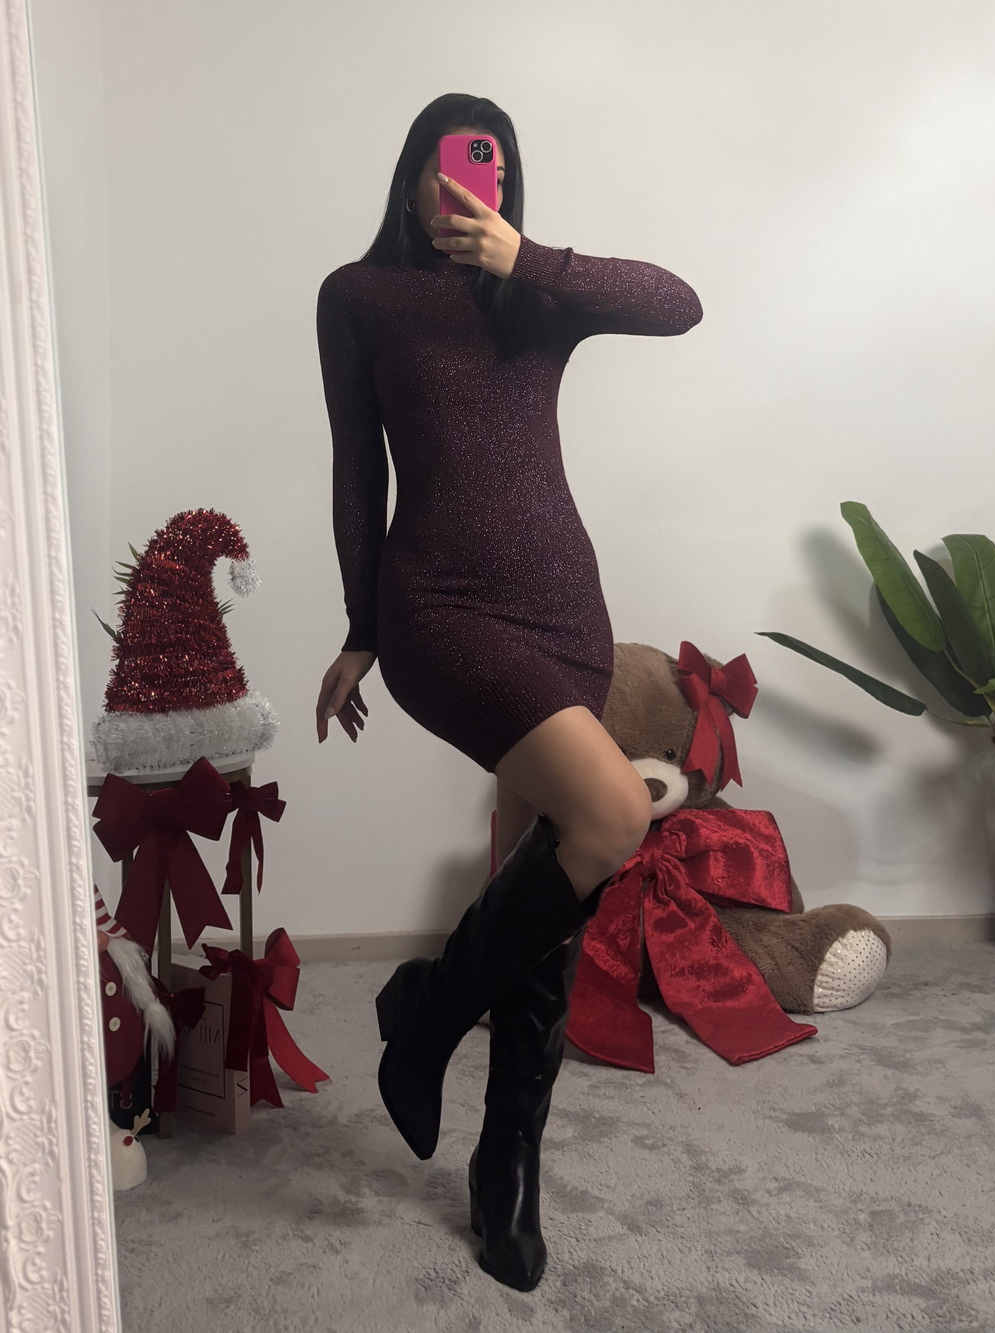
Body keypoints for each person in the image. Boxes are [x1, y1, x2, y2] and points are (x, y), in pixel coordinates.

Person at [315, 93, 702, 1293]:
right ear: (411, 177)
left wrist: (528, 257)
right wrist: (361, 628)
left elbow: (679, 303)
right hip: (439, 608)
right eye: (444, 167)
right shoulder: (359, 297)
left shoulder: (538, 290)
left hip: (563, 612)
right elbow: (356, 472)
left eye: (483, 168)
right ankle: (430, 1017)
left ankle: (504, 1159)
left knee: (553, 875)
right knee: (611, 814)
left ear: (504, 182)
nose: (460, 188)